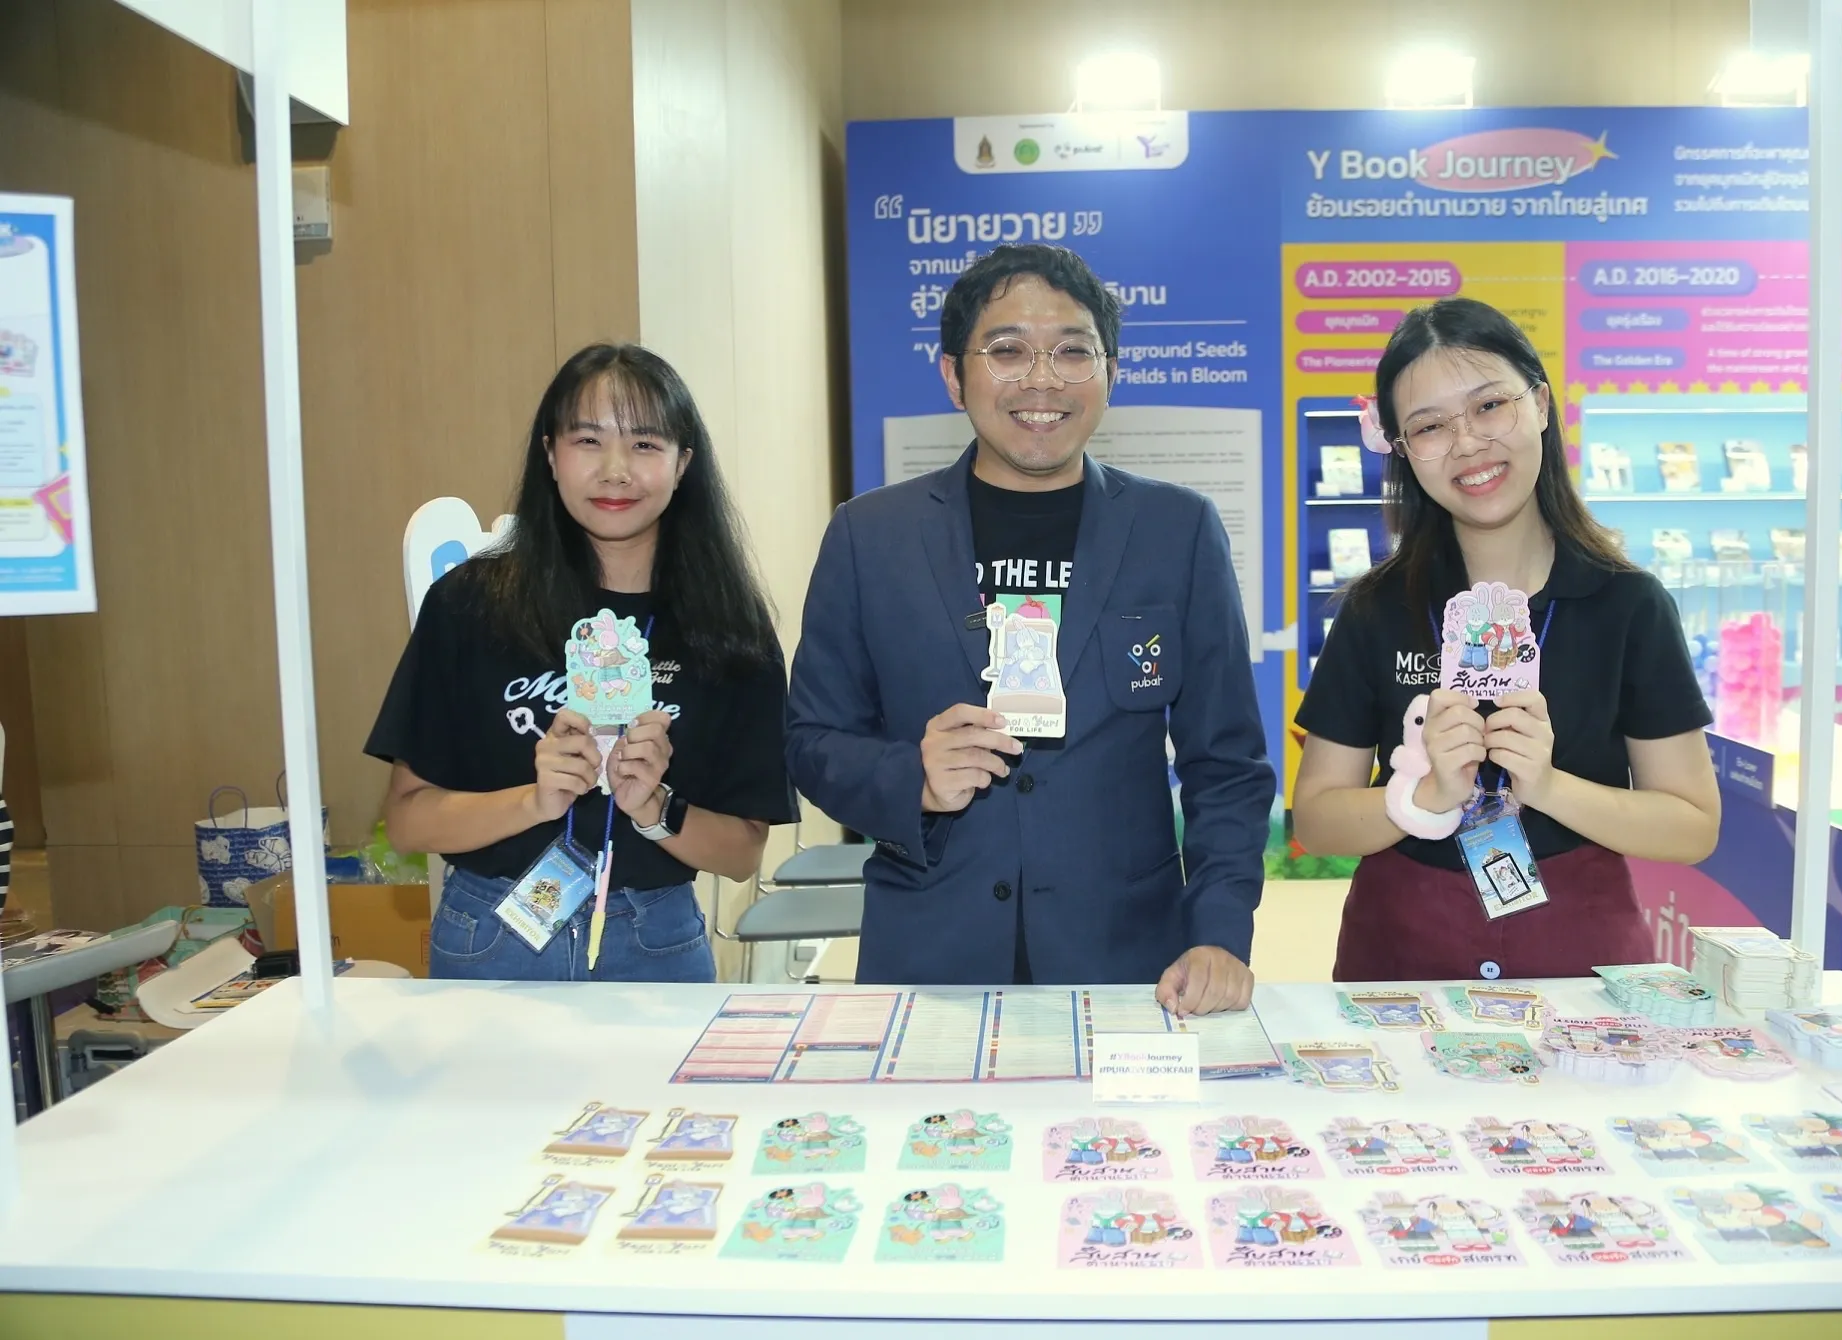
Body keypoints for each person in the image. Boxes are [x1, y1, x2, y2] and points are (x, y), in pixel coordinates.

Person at [785, 244, 1273, 1012]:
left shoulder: (1176, 531)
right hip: (929, 955)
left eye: (1073, 352)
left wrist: (1219, 930)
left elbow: (1228, 764)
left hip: (1128, 959)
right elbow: (813, 739)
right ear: (954, 375)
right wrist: (913, 778)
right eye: (1008, 350)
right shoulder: (869, 536)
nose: (1042, 379)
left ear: (1111, 373)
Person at [1292, 297, 1719, 982]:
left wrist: (1546, 785)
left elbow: (1693, 824)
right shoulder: (1375, 610)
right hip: (1402, 961)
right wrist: (1425, 796)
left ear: (1541, 404)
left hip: (1581, 969)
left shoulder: (1628, 605)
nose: (1467, 444)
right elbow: (1316, 819)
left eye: (1490, 406)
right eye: (1429, 426)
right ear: (1402, 449)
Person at [367, 343, 796, 981]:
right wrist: (536, 801)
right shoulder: (469, 605)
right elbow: (406, 820)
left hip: (653, 939)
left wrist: (654, 807)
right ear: (551, 454)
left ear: (683, 463)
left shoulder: (728, 625)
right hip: (493, 931)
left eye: (645, 444)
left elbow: (742, 852)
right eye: (588, 440)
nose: (615, 471)